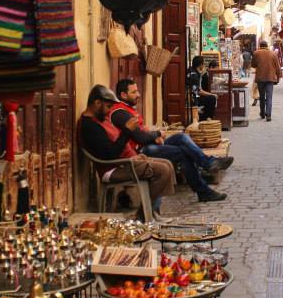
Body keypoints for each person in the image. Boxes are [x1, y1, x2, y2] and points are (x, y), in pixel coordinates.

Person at [111, 79, 230, 203]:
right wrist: (157, 134)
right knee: (184, 153)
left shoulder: (127, 109)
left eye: (137, 91)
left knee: (181, 137)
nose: (138, 95)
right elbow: (140, 138)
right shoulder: (120, 113)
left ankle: (207, 163)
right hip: (139, 152)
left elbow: (142, 133)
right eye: (134, 92)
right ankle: (204, 187)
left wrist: (153, 135)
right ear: (123, 95)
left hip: (148, 144)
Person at [78, 85, 176, 213]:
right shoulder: (89, 125)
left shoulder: (100, 118)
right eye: (108, 107)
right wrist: (126, 131)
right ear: (97, 103)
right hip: (113, 169)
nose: (109, 111)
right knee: (162, 170)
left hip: (124, 163)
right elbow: (110, 154)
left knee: (167, 164)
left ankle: (152, 211)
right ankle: (144, 214)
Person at [251, 40, 281, 121]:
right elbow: (278, 68)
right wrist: (278, 78)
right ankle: (268, 115)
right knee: (269, 97)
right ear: (267, 45)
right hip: (270, 78)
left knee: (261, 96)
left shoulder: (256, 53)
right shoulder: (273, 54)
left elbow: (253, 65)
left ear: (260, 45)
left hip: (260, 78)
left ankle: (262, 113)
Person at [186, 56, 217, 121]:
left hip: (194, 96)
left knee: (210, 97)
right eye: (203, 64)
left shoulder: (192, 71)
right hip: (193, 99)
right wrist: (211, 94)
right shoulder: (194, 75)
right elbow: (198, 91)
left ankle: (203, 116)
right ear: (200, 65)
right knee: (212, 98)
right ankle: (206, 118)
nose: (204, 66)